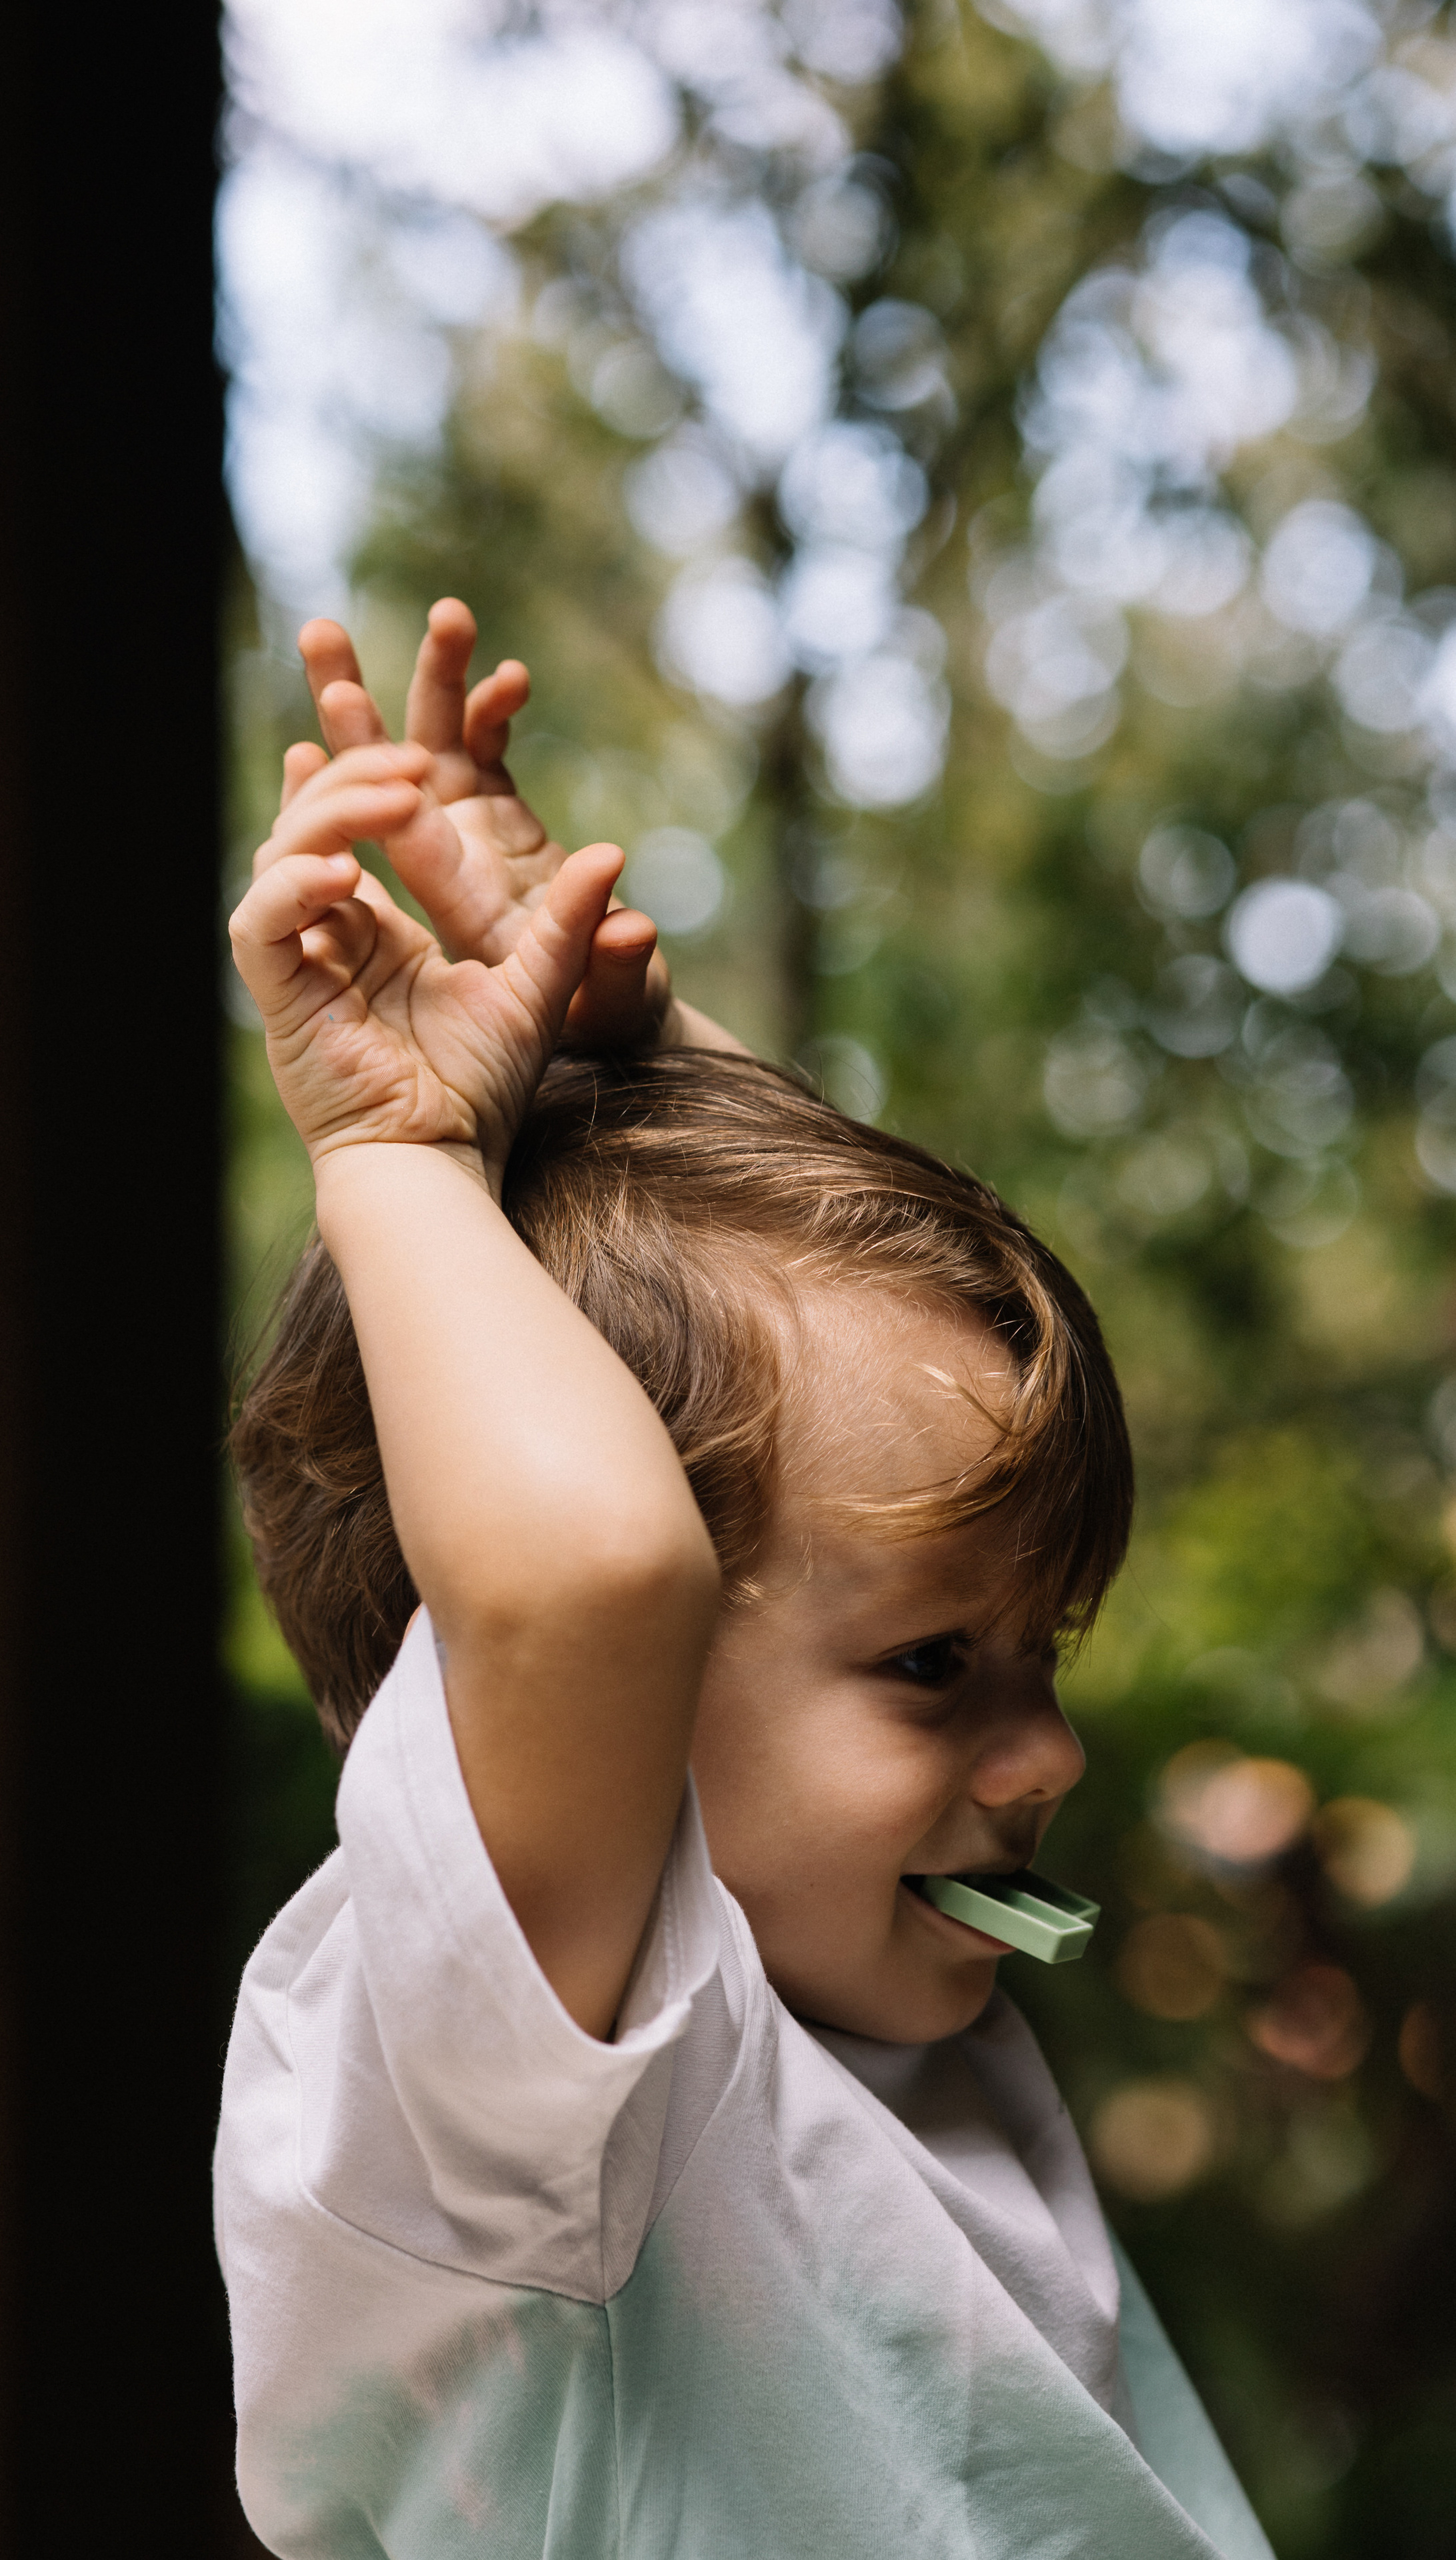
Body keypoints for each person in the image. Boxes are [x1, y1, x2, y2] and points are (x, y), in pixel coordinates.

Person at [215, 599, 1275, 2560]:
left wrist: (636, 1057)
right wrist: (394, 1152)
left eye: (1044, 1651)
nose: (1041, 1752)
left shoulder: (848, 2024)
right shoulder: (530, 2101)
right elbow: (601, 1574)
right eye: (940, 1665)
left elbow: (829, 1436)